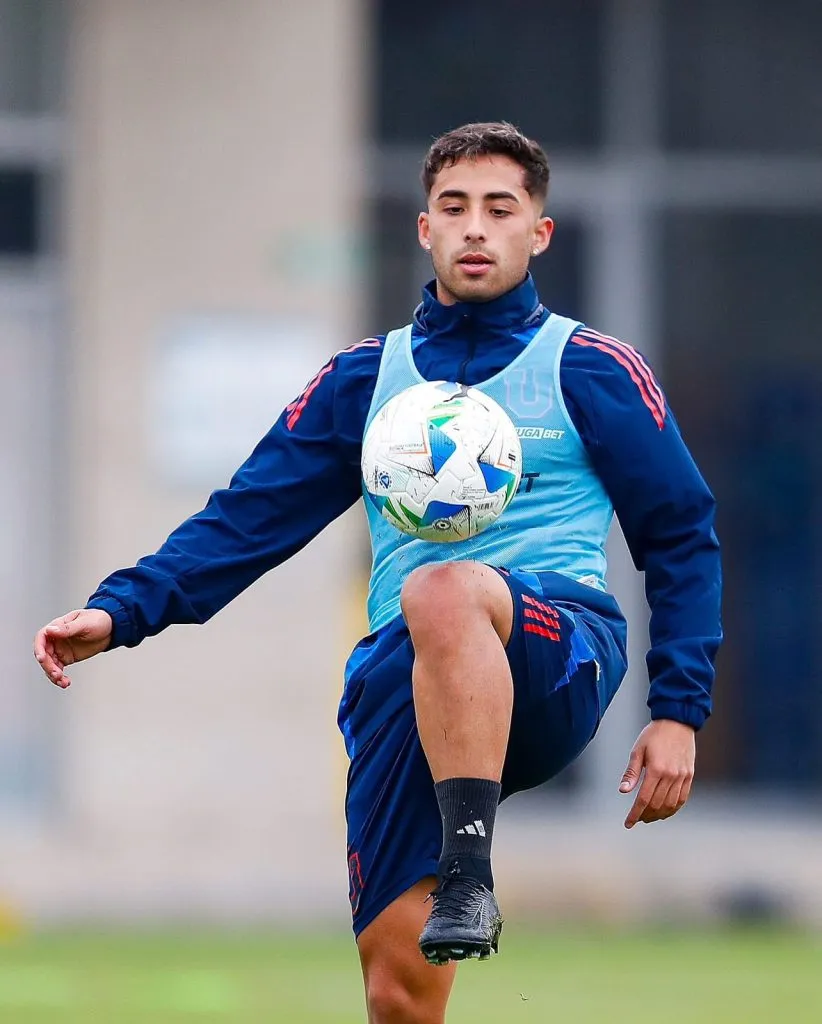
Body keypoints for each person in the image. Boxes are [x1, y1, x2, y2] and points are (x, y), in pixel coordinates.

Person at [34, 122, 722, 1024]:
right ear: (424, 229)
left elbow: (679, 533)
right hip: (409, 680)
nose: (476, 228)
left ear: (539, 233)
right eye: (454, 208)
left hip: (556, 653)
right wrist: (119, 611)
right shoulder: (365, 380)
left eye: (500, 210)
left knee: (441, 587)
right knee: (397, 996)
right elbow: (247, 518)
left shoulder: (590, 369)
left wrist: (677, 711)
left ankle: (468, 874)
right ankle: (447, 882)